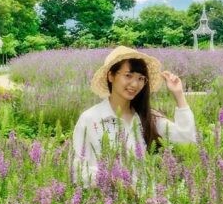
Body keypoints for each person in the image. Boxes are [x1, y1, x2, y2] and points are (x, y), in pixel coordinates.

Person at [72, 46, 197, 188]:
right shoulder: (91, 119)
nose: (135, 84)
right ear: (111, 76)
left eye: (141, 78)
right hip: (106, 203)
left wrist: (179, 95)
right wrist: (114, 182)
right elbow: (78, 170)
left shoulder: (146, 117)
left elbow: (187, 137)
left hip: (146, 203)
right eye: (128, 76)